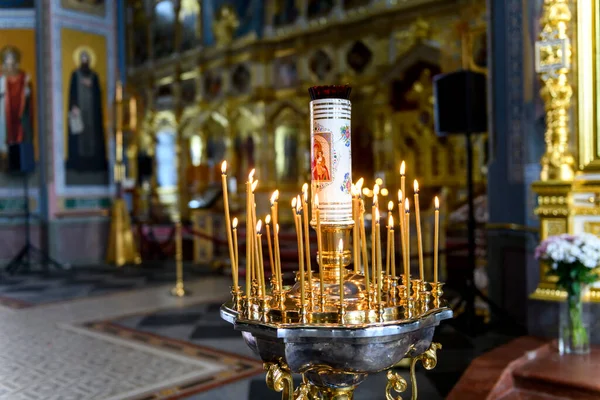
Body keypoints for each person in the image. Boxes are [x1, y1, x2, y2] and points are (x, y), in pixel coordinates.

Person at [65, 49, 107, 172]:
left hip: (92, 113)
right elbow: (72, 93)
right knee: (80, 137)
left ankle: (93, 164)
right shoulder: (75, 74)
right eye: (82, 59)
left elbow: (98, 93)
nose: (84, 61)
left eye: (86, 59)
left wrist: (91, 85)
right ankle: (80, 164)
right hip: (79, 111)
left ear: (89, 61)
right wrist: (73, 106)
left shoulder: (94, 76)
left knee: (92, 137)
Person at [0, 46, 33, 156]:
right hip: (3, 111)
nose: (10, 60)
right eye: (7, 58)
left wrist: (27, 86)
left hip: (18, 112)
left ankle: (17, 166)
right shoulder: (1, 75)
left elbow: (27, 94)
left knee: (19, 135)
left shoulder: (22, 75)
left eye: (12, 57)